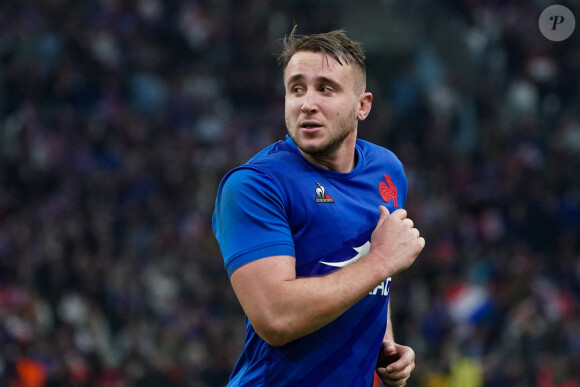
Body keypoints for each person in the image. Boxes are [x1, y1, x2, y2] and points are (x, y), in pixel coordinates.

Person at [212, 27, 425, 387]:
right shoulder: (255, 185)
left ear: (362, 105)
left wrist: (384, 341)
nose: (307, 102)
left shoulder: (387, 171)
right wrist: (381, 261)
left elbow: (371, 281)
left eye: (325, 88)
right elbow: (277, 319)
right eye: (297, 88)